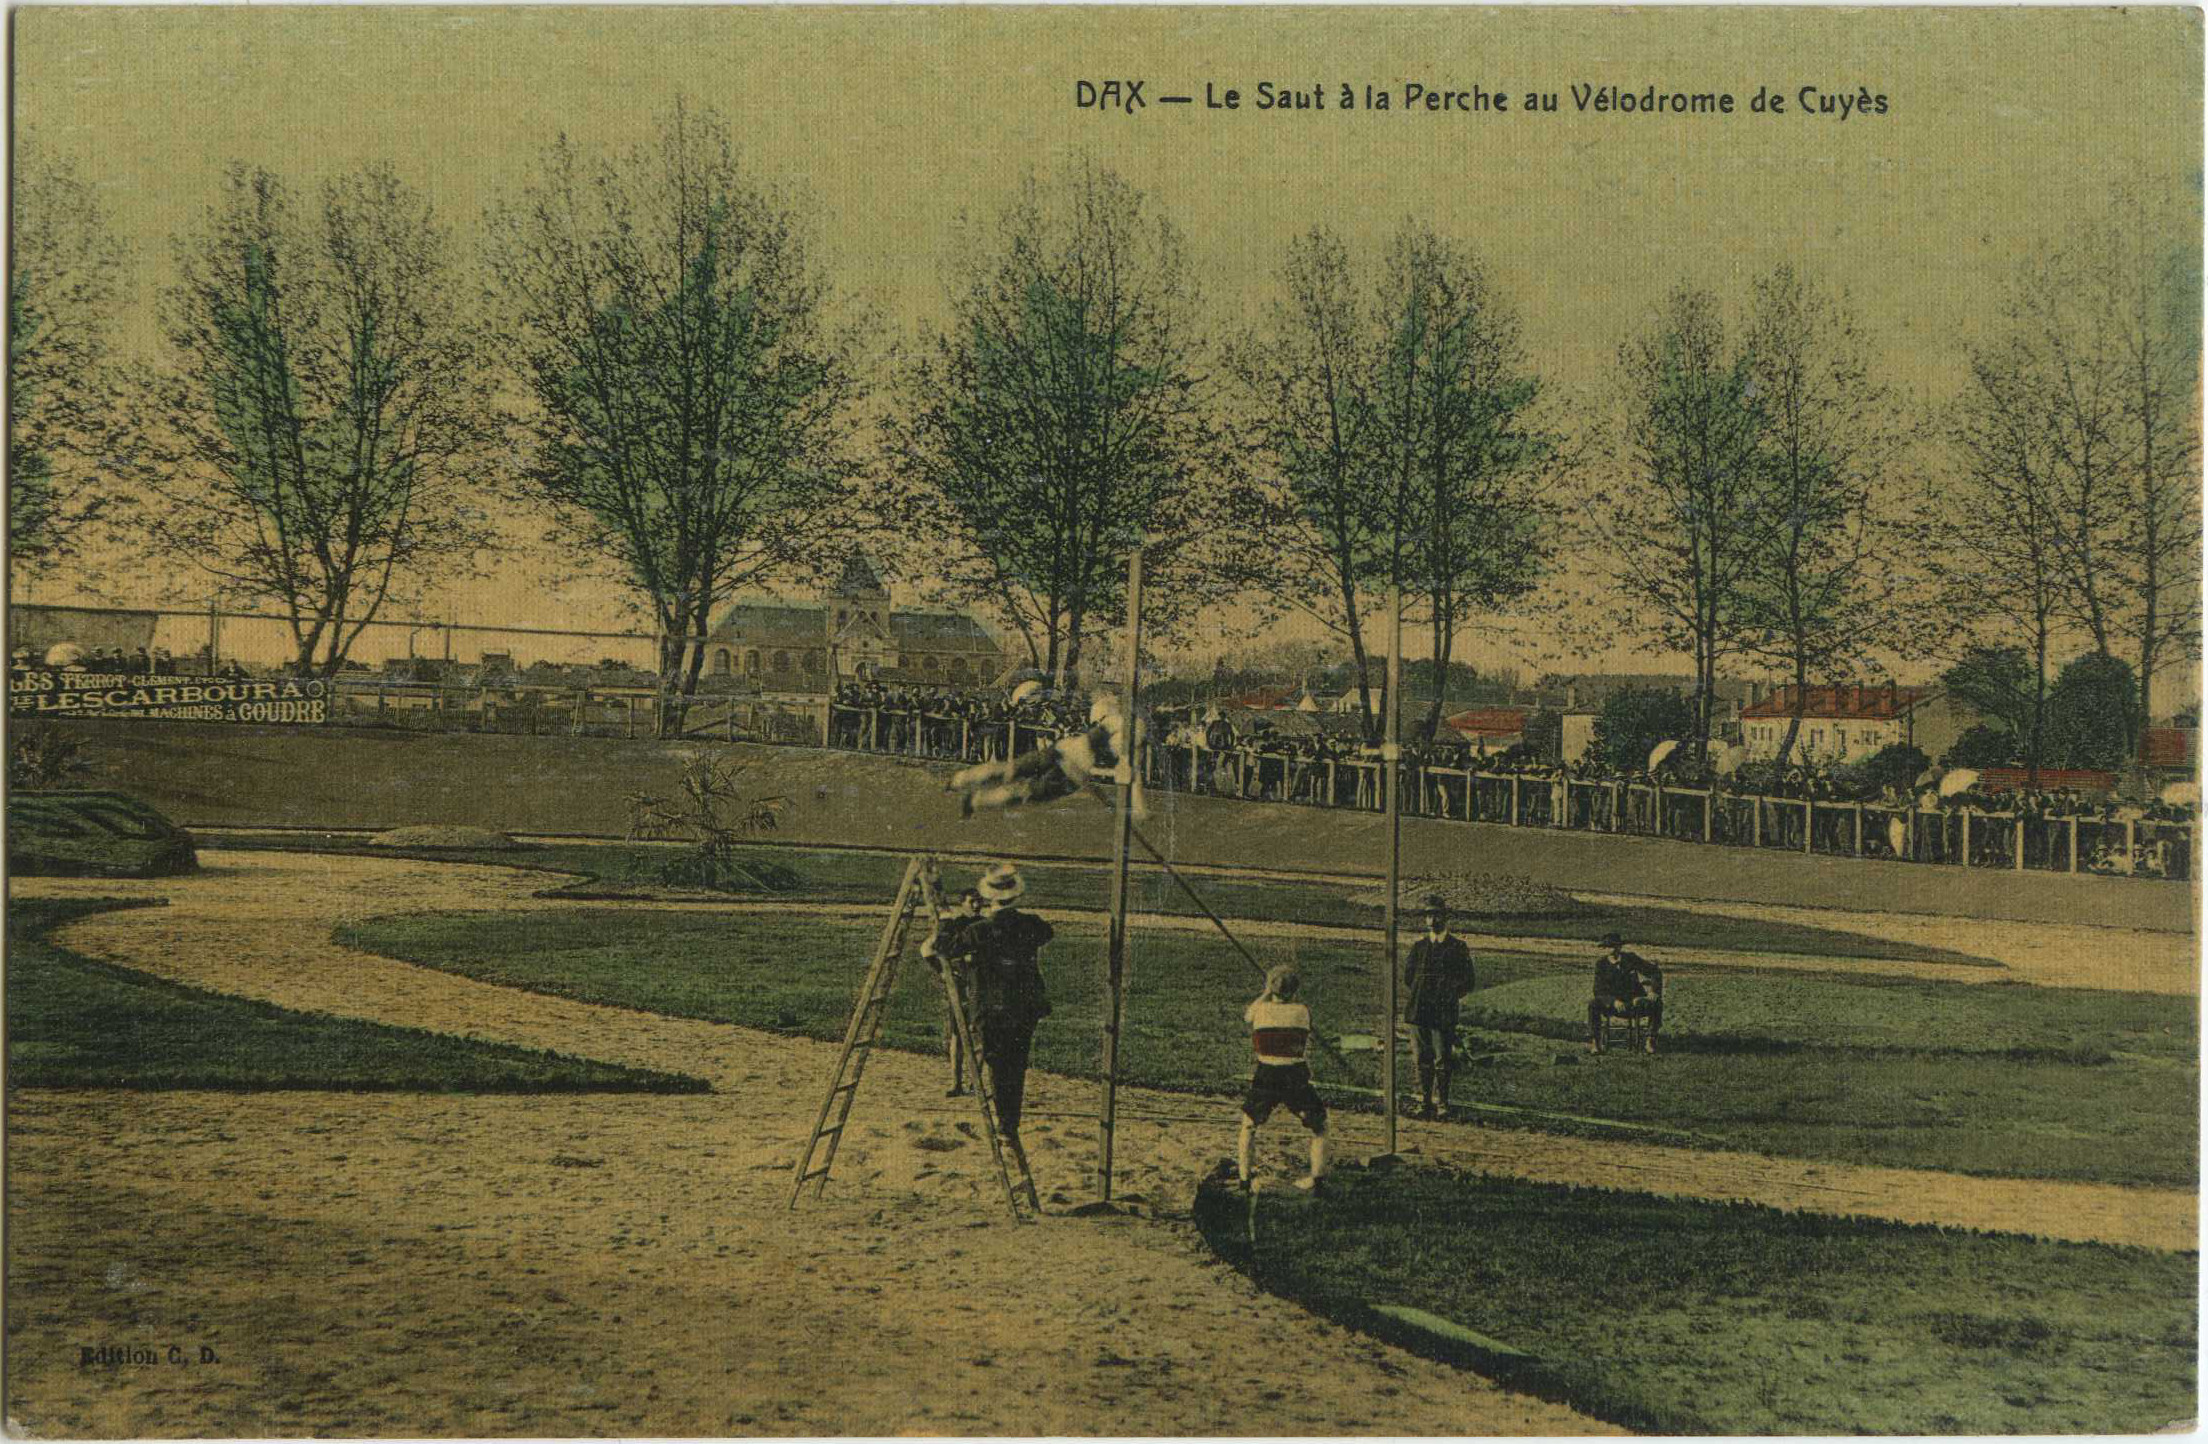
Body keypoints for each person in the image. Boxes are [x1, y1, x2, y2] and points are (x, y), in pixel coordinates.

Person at [943, 864, 1055, 1150]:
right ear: (1016, 895)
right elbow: (1046, 932)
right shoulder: (1031, 924)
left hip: (992, 1010)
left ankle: (1005, 1126)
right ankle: (1009, 1125)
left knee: (996, 1066)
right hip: (1024, 1009)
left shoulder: (978, 931)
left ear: (987, 897)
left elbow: (945, 947)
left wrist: (950, 921)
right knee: (1015, 1067)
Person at [1236, 964, 1328, 1192]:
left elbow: (1247, 1016)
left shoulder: (1260, 1010)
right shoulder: (1302, 1011)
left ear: (1271, 988)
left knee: (1248, 1126)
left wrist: (1266, 992)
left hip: (1266, 1073)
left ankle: (1244, 1180)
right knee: (1321, 1127)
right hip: (1294, 1075)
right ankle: (1317, 1179)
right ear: (1294, 990)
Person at [1403, 896, 1475, 1120]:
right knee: (1421, 1059)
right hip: (1419, 1011)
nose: (1431, 919)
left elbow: (1468, 981)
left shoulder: (1457, 947)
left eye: (1436, 915)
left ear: (1445, 918)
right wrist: (1422, 993)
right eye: (1428, 915)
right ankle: (1424, 1102)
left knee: (1442, 1060)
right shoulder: (1419, 947)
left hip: (1443, 1014)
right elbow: (1408, 977)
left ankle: (1442, 1103)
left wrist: (1448, 995)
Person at [920, 887, 985, 1098]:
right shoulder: (953, 926)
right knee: (958, 1034)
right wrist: (943, 972)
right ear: (963, 904)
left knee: (982, 1034)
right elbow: (927, 949)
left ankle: (976, 1082)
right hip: (960, 987)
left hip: (980, 986)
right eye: (972, 901)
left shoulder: (986, 925)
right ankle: (956, 1083)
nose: (977, 905)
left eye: (979, 901)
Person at [1588, 932, 1664, 1055]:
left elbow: (1655, 972)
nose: (1611, 949)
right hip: (1614, 1006)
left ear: (1620, 947)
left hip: (1636, 1003)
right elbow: (1598, 990)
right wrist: (1613, 1001)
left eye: (1613, 946)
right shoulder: (1601, 965)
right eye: (1607, 947)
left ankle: (1650, 1040)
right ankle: (1595, 1042)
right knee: (1593, 1004)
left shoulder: (1631, 959)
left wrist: (1653, 991)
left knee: (1657, 1003)